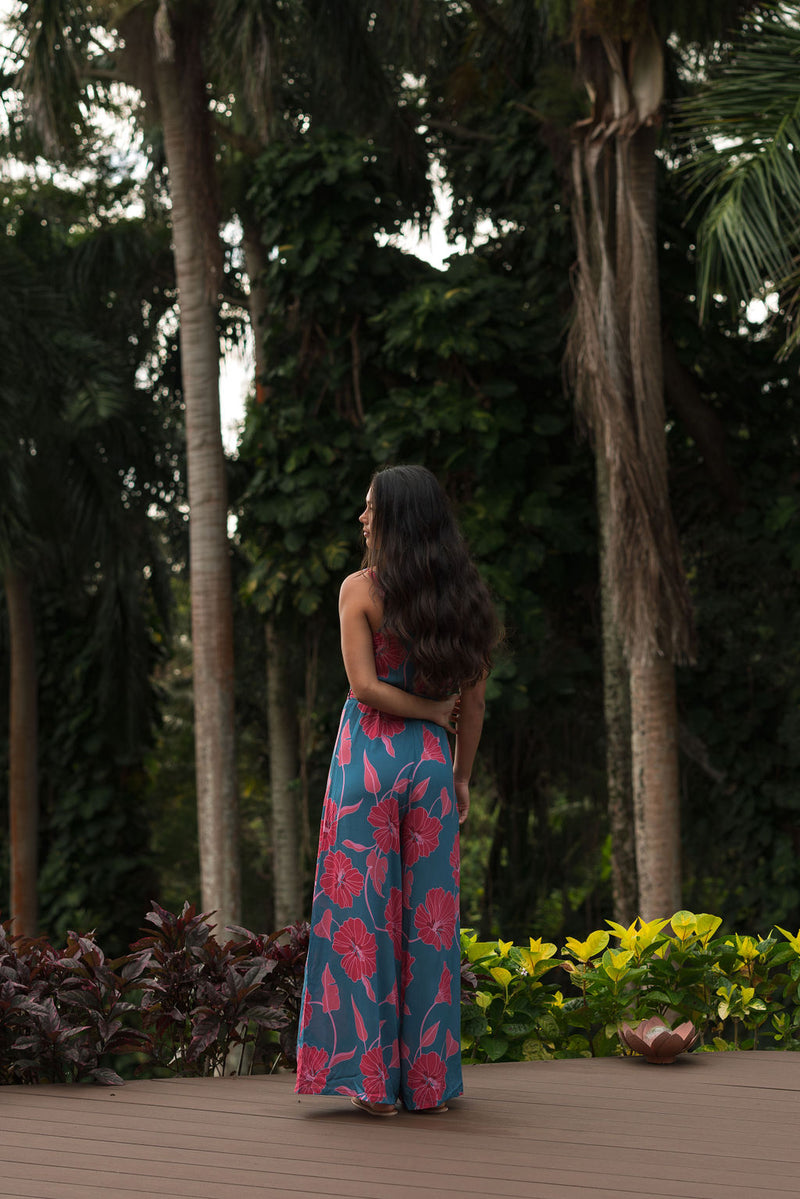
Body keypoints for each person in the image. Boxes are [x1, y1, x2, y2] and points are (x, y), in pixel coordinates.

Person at [295, 464, 499, 1116]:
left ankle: (371, 1088)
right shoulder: (464, 595)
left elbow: (362, 687)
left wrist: (418, 711)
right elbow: (475, 702)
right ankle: (428, 1087)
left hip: (367, 770)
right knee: (430, 930)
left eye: (369, 509)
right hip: (432, 771)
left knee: (363, 923)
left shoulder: (360, 589)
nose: (361, 519)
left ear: (394, 519)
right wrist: (459, 771)